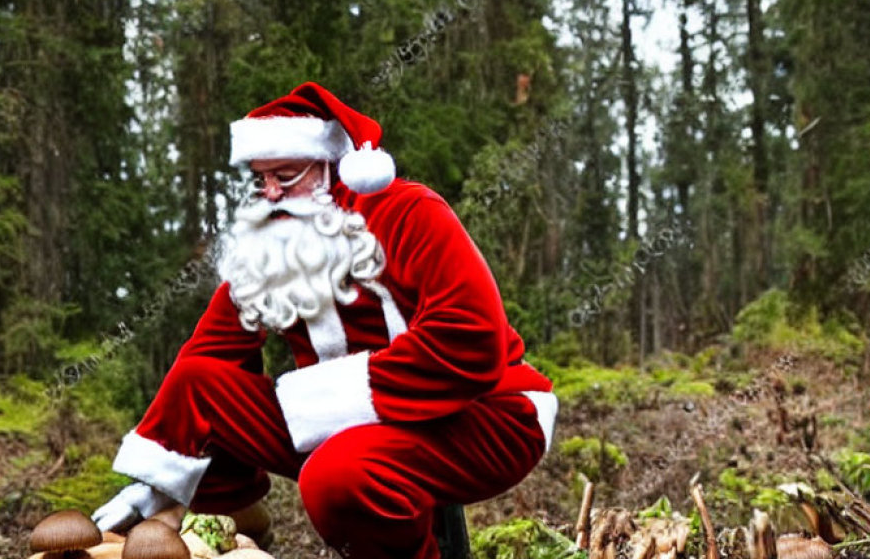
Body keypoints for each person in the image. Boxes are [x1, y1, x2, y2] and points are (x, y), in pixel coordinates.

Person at [92, 82, 557, 559]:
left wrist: (322, 401)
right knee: (199, 382)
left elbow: (470, 339)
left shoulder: (409, 212)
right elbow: (210, 354)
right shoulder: (272, 246)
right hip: (339, 426)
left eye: (287, 176)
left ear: (330, 167)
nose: (272, 193)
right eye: (260, 178)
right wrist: (160, 486)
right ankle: (232, 526)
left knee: (336, 473)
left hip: (491, 415)